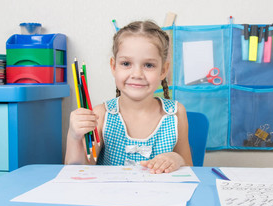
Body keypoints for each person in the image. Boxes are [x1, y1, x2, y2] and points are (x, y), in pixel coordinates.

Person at [65, 20, 192, 173]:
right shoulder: (101, 115)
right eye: (126, 63)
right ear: (114, 66)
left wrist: (177, 159)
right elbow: (78, 171)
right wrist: (74, 137)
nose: (137, 74)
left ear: (163, 70)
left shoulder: (176, 113)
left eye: (149, 65)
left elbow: (189, 170)